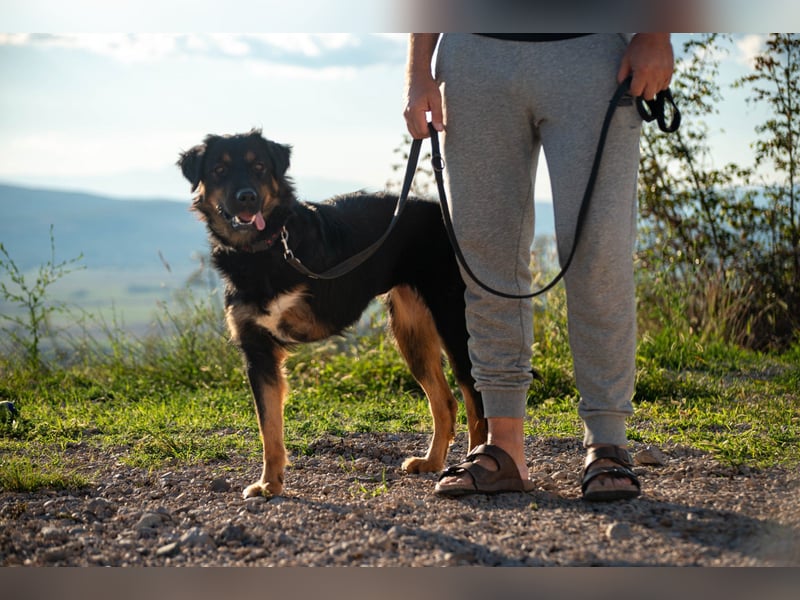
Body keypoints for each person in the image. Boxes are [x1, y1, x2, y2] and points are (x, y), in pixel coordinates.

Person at [403, 33, 674, 501]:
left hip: (592, 54)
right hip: (475, 57)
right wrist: (417, 72)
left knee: (599, 254)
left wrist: (655, 33)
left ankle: (608, 442)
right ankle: (501, 446)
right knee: (486, 259)